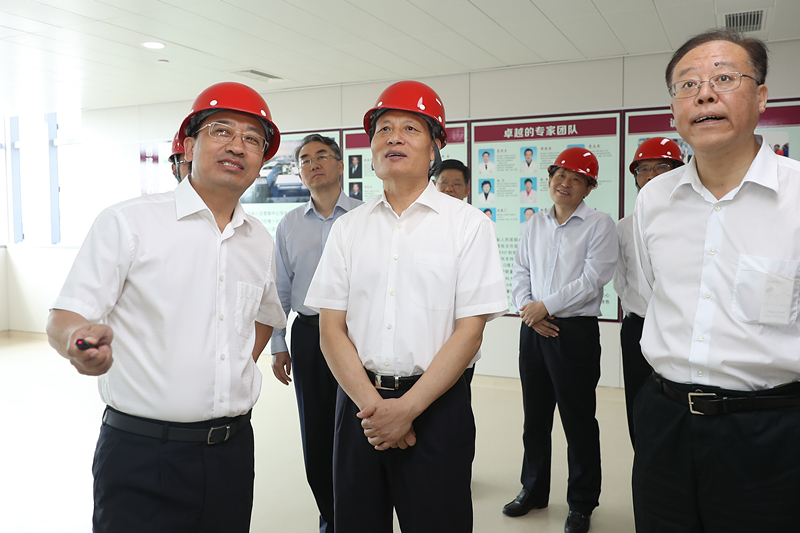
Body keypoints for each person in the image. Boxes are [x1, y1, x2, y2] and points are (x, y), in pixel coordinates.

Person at [45, 82, 287, 533]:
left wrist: (229, 367)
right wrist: (79, 343)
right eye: (221, 131)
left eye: (253, 139)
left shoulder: (257, 239)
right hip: (142, 454)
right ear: (189, 147)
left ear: (260, 162)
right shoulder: (129, 222)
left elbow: (264, 316)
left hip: (232, 453)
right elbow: (65, 316)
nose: (237, 145)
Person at [305, 80, 507, 532]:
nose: (394, 138)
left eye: (410, 129)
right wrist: (376, 410)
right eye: (384, 129)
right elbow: (330, 329)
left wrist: (407, 409)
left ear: (435, 147)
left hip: (437, 407)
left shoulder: (468, 226)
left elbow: (470, 331)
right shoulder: (349, 229)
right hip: (359, 407)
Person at [631, 29, 800, 533]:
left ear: (761, 97)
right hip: (664, 421)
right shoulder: (654, 199)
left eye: (724, 79)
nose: (704, 94)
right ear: (673, 110)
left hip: (769, 430)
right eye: (688, 84)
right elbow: (650, 293)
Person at [506, 147, 617, 533]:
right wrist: (528, 311)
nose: (565, 183)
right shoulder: (535, 223)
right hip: (533, 331)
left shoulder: (600, 225)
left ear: (589, 187)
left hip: (573, 333)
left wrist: (545, 307)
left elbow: (592, 280)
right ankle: (533, 490)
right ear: (550, 178)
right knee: (534, 418)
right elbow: (519, 271)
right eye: (560, 175)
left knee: (578, 420)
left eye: (576, 178)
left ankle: (582, 503)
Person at [269, 134, 362, 533]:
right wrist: (278, 343)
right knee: (316, 431)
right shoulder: (289, 224)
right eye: (305, 160)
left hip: (357, 336)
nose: (313, 164)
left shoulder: (364, 217)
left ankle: (359, 515)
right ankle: (331, 517)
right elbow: (280, 288)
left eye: (322, 156)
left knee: (358, 428)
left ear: (340, 165)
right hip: (308, 335)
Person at [613, 137, 683, 447]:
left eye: (661, 167)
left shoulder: (693, 221)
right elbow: (620, 280)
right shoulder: (624, 227)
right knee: (638, 403)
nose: (651, 175)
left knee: (678, 406)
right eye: (643, 169)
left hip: (679, 327)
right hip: (638, 327)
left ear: (679, 170)